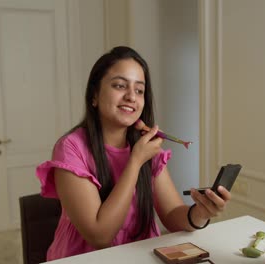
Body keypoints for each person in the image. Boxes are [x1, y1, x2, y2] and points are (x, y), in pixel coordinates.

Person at [36, 46, 231, 261]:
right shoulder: (70, 148)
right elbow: (100, 235)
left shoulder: (146, 146)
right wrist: (136, 161)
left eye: (139, 90)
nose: (131, 96)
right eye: (120, 86)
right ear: (94, 95)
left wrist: (200, 213)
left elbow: (171, 215)